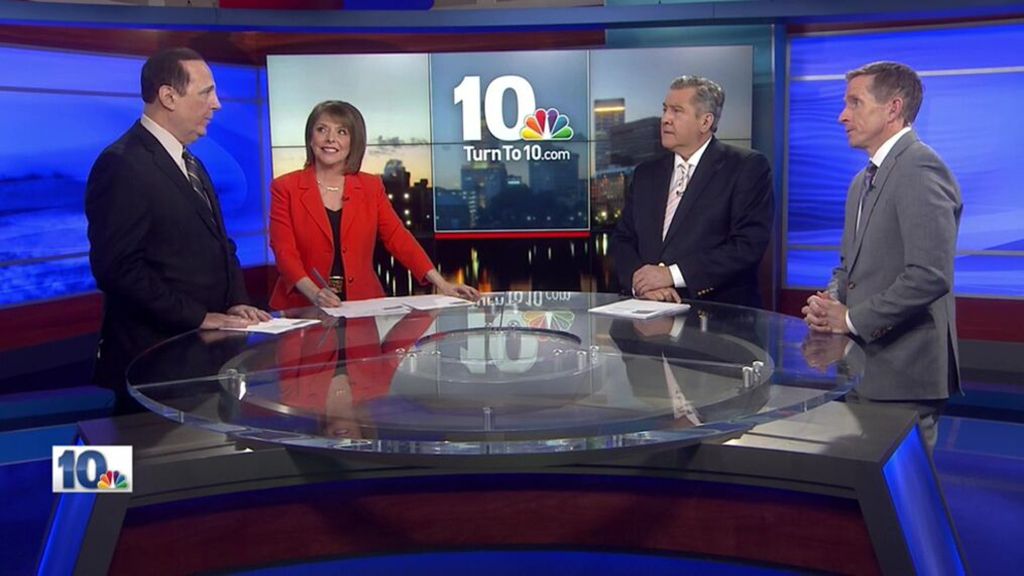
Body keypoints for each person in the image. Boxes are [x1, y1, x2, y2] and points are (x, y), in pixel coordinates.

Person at [86, 47, 270, 411]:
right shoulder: (122, 164)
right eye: (206, 93)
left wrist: (237, 301)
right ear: (168, 96)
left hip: (206, 359)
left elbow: (221, 244)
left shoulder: (192, 162)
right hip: (155, 365)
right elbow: (118, 269)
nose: (216, 104)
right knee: (148, 469)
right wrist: (199, 317)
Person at [802, 61, 962, 451]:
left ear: (892, 108)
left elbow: (928, 275)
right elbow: (847, 266)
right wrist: (830, 304)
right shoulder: (863, 180)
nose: (842, 116)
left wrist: (851, 318)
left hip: (904, 374)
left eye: (855, 103)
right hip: (862, 369)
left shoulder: (920, 167)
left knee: (899, 505)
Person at [269, 100, 478, 310]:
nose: (330, 139)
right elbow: (284, 251)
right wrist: (315, 294)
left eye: (342, 132)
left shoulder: (370, 186)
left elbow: (398, 237)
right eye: (322, 129)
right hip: (300, 306)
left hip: (363, 305)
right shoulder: (285, 188)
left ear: (354, 141)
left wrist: (442, 284)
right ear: (310, 138)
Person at [611, 75, 774, 307]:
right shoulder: (646, 173)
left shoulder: (746, 167)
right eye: (665, 109)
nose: (665, 119)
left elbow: (747, 245)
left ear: (705, 122)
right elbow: (622, 239)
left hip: (719, 320)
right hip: (646, 314)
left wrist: (672, 275)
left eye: (677, 111)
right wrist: (641, 284)